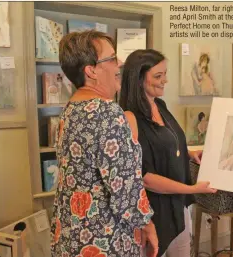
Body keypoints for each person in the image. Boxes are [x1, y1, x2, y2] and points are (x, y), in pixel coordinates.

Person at [50, 30, 158, 257]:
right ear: (91, 71)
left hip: (72, 236)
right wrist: (147, 224)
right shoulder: (106, 112)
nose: (119, 63)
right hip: (103, 240)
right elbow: (125, 188)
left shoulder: (70, 110)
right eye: (111, 58)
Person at [119, 49, 217, 257]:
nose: (165, 80)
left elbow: (169, 140)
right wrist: (191, 189)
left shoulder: (160, 105)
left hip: (177, 205)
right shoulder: (130, 118)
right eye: (158, 76)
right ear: (138, 79)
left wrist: (190, 154)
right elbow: (144, 178)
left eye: (165, 74)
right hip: (154, 213)